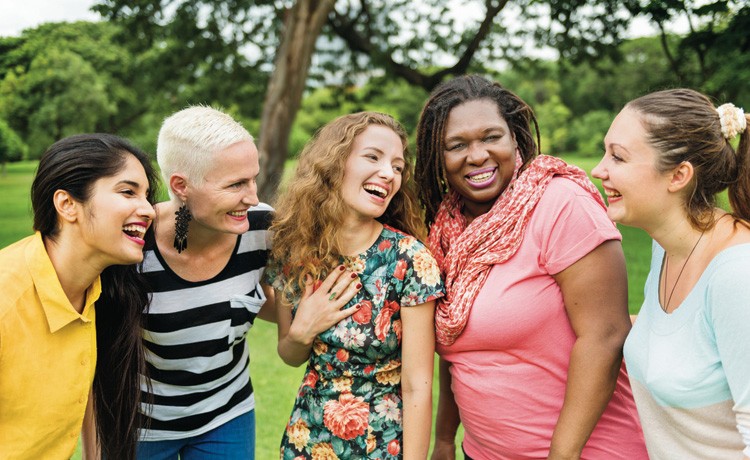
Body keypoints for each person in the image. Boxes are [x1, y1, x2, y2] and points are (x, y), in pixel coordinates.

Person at [415, 75, 648, 459]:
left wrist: (562, 454)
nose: (476, 156)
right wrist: (444, 439)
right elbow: (459, 349)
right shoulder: (445, 232)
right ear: (437, 158)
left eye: (491, 137)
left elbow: (605, 337)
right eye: (457, 145)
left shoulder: (559, 204)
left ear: (515, 138)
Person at [266, 111, 444, 459]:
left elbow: (418, 386)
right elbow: (289, 354)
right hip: (308, 440)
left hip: (381, 444)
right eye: (373, 157)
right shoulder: (295, 249)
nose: (388, 174)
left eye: (397, 166)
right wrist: (302, 331)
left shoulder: (409, 260)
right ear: (335, 163)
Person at [592, 88, 750, 459]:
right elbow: (679, 338)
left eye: (618, 157)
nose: (599, 170)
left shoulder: (736, 277)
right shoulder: (666, 246)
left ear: (679, 175)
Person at [0, 134, 157, 459]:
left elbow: (88, 398)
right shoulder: (6, 300)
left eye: (146, 195)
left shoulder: (97, 291)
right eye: (128, 191)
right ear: (67, 205)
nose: (149, 209)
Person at [136, 106, 274, 459]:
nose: (253, 197)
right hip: (144, 425)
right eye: (235, 184)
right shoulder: (134, 244)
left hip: (228, 413)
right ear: (181, 186)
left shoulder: (262, 229)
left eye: (253, 179)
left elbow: (263, 301)